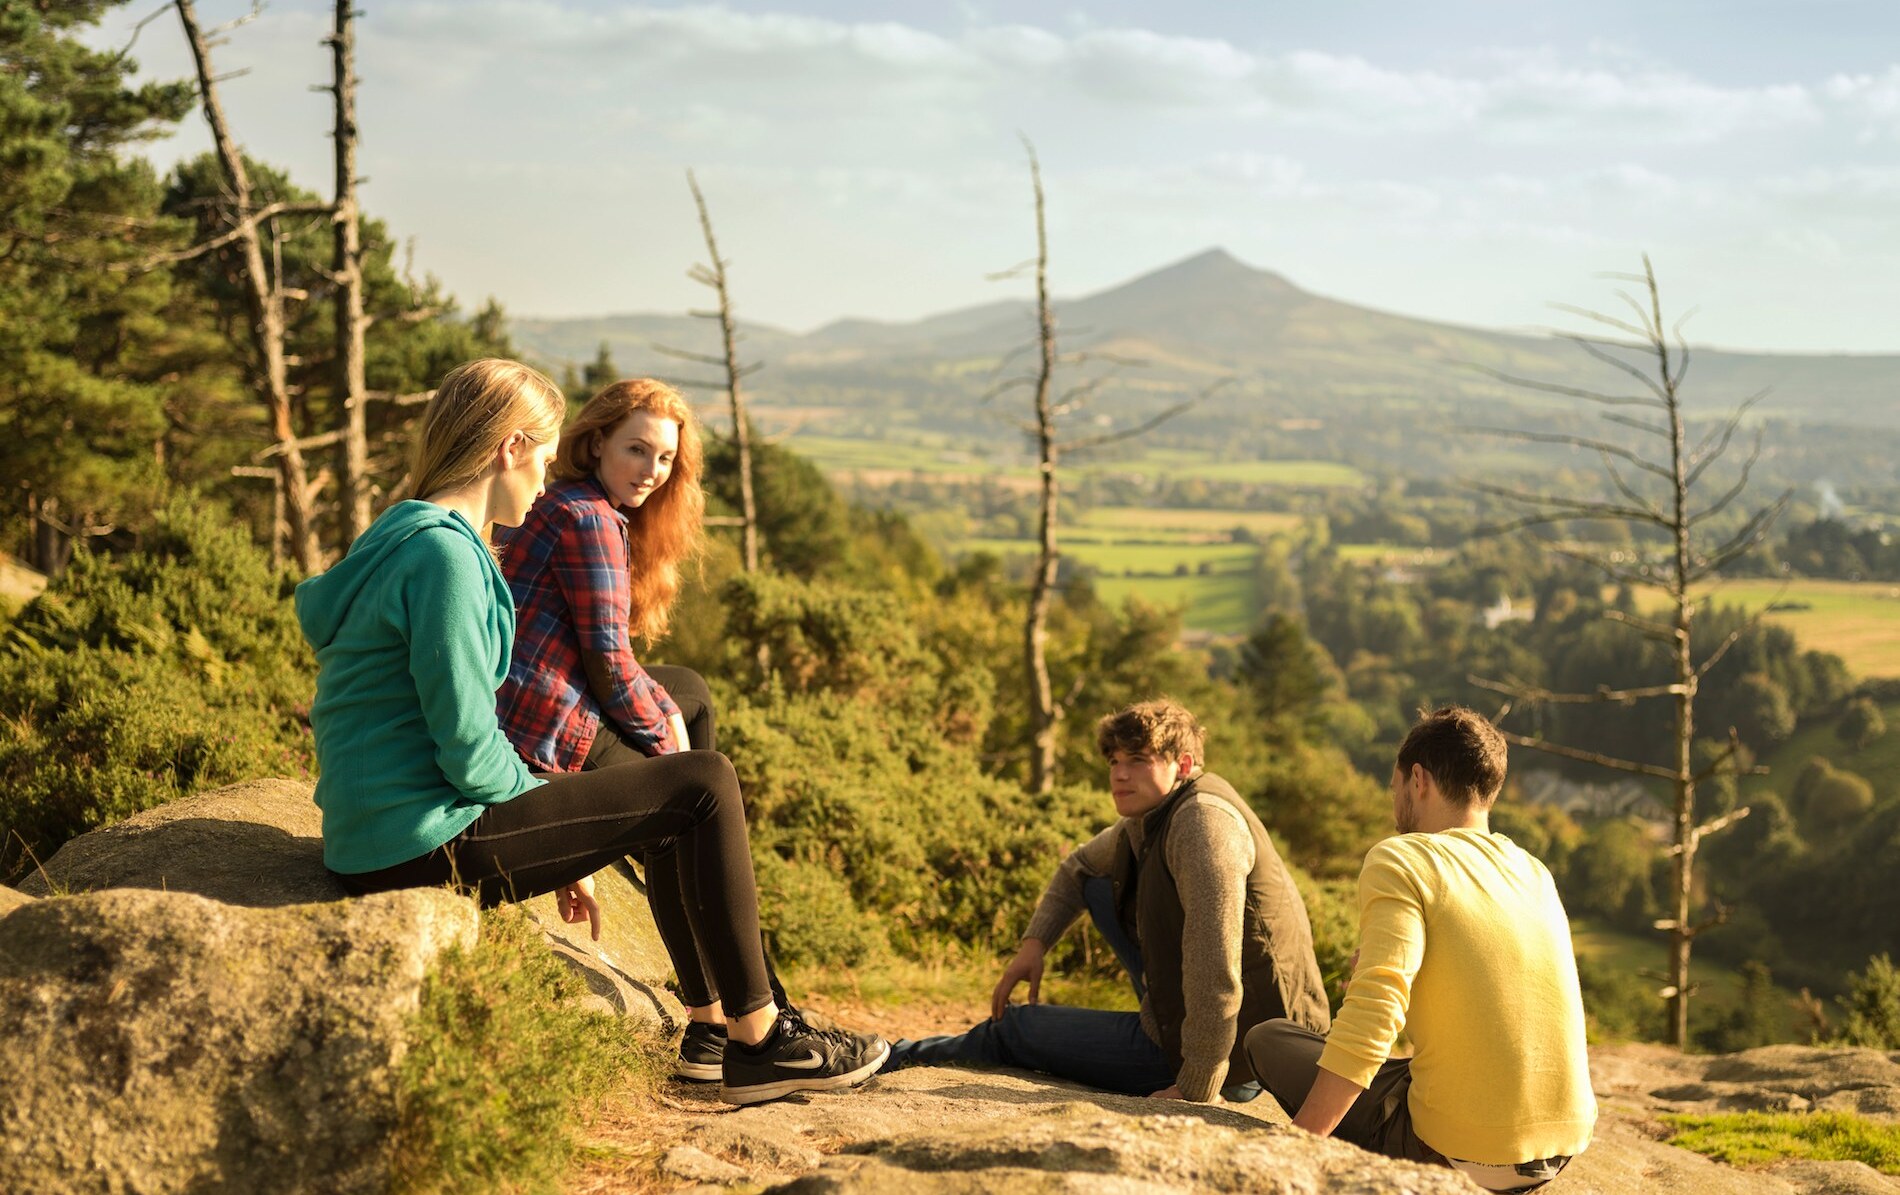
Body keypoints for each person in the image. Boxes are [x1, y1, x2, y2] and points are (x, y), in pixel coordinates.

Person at [294, 358, 886, 1105]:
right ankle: (760, 1038)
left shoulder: (404, 532)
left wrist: (561, 834)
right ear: (508, 448)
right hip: (418, 842)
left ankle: (722, 1029)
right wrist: (556, 832)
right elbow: (470, 747)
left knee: (688, 752)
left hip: (377, 837)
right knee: (704, 781)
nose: (545, 478)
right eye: (541, 457)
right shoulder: (443, 556)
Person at [494, 377, 789, 1083]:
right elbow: (606, 660)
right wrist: (671, 745)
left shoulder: (574, 502)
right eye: (636, 449)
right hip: (544, 725)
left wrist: (671, 723)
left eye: (664, 459)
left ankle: (711, 1014)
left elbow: (613, 664)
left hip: (554, 702)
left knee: (691, 694)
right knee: (690, 783)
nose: (650, 471)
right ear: (595, 441)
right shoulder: (587, 518)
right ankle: (726, 1015)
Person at [883, 699, 1332, 1103]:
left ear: (1183, 764)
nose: (1119, 773)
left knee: (1013, 1029)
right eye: (1115, 760)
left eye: (1138, 760)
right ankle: (1173, 1032)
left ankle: (888, 1056)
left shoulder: (1203, 826)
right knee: (1098, 883)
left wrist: (1196, 1084)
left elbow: (1215, 967)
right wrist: (1034, 944)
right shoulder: (1150, 816)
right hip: (1233, 1032)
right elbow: (1076, 867)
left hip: (1248, 1045)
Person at [1243, 706, 1596, 1191]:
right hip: (1560, 1149)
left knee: (1269, 1039)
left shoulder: (1402, 858)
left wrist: (1296, 1146)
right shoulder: (1534, 870)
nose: (1395, 808)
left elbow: (1376, 1011)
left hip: (1461, 1157)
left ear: (1417, 780)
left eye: (1394, 791)